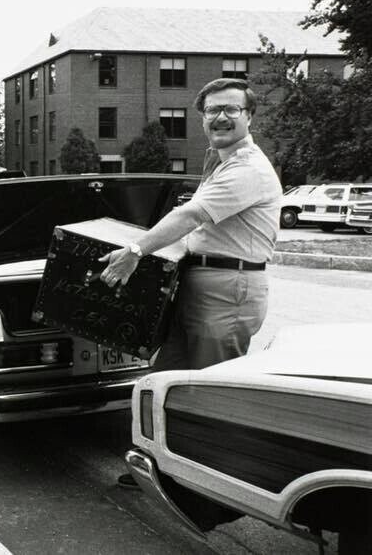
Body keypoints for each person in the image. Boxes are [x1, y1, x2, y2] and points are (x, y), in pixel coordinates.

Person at [98, 78, 282, 489]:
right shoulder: (220, 162)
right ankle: (160, 470)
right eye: (212, 110)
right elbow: (192, 230)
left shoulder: (247, 168)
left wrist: (136, 251)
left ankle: (215, 487)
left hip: (228, 287)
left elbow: (190, 217)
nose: (221, 117)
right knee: (167, 382)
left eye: (231, 109)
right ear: (202, 119)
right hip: (202, 282)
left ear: (249, 116)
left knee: (211, 393)